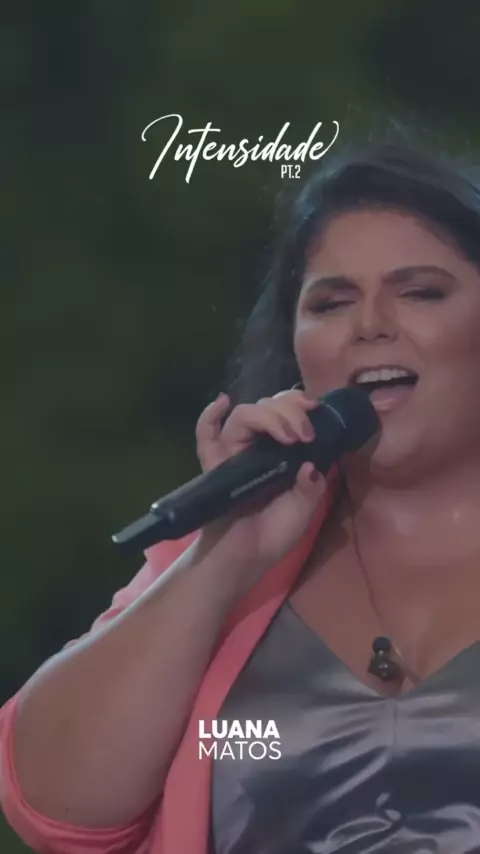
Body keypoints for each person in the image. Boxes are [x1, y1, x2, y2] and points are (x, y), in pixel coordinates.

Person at [3, 138, 480, 854]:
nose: (370, 325)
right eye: (331, 302)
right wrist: (224, 557)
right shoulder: (227, 555)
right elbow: (59, 811)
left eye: (420, 292)